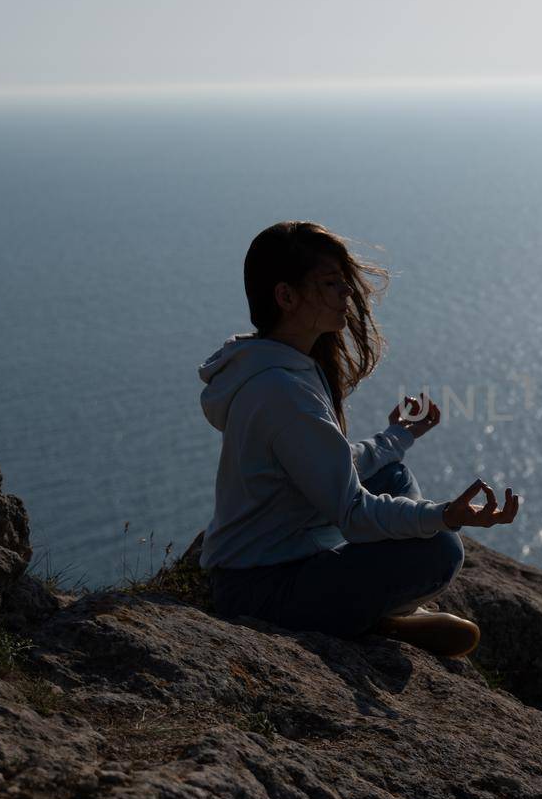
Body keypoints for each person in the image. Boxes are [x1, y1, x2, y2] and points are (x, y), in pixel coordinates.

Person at [197, 220, 520, 658]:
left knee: (391, 472)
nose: (347, 294)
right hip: (262, 591)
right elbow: (352, 513)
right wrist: (445, 514)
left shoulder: (274, 366)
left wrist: (396, 437)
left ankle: (369, 607)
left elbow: (332, 464)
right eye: (331, 283)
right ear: (286, 296)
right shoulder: (283, 393)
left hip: (277, 559)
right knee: (440, 550)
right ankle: (376, 617)